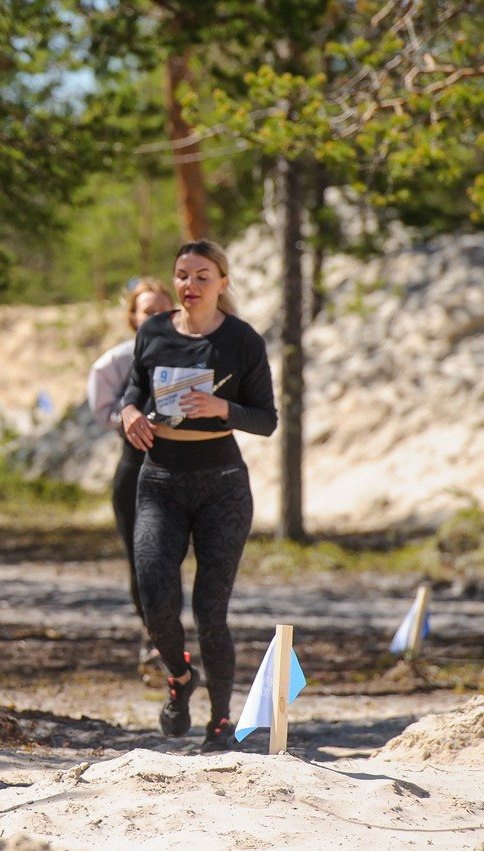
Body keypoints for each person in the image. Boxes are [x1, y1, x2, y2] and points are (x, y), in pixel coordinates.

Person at [118, 239, 277, 753]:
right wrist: (129, 413)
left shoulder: (242, 341)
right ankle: (181, 675)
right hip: (160, 480)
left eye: (202, 276)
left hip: (222, 484)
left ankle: (221, 721)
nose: (190, 285)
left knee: (211, 610)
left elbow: (267, 420)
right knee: (154, 597)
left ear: (222, 283)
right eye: (183, 275)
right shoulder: (154, 331)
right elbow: (133, 390)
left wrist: (222, 408)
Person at [86, 279, 173, 675]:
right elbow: (103, 412)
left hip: (183, 468)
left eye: (163, 309)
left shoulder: (193, 357)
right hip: (135, 470)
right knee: (142, 560)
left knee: (170, 559)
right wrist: (131, 417)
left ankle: (173, 640)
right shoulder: (115, 362)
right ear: (133, 318)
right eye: (148, 311)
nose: (156, 317)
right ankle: (154, 638)